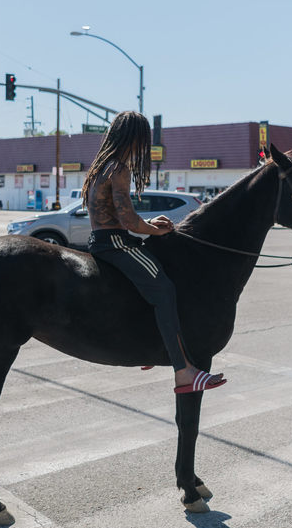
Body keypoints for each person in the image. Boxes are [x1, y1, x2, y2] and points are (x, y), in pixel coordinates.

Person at [81, 111, 226, 394]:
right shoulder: (118, 168)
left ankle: (152, 345)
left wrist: (151, 223)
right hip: (116, 243)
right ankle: (184, 371)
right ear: (134, 138)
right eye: (141, 141)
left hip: (99, 240)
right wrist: (156, 230)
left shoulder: (100, 167)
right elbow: (128, 222)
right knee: (164, 290)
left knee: (152, 278)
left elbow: (122, 216)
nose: (141, 148)